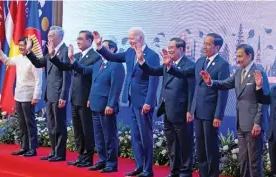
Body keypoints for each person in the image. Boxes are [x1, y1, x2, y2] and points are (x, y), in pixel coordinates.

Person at [93, 28, 159, 177]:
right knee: (135, 136)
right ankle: (139, 166)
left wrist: (148, 102)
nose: (129, 41)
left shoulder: (152, 55)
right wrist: (99, 47)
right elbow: (112, 57)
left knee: (145, 136)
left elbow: (154, 81)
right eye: (129, 38)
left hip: (144, 103)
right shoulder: (129, 52)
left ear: (140, 38)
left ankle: (148, 170)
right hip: (132, 101)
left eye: (132, 38)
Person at [200, 44, 269, 177]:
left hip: (254, 124)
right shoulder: (238, 72)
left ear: (249, 56)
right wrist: (211, 82)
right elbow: (225, 83)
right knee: (243, 160)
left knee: (254, 162)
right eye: (236, 56)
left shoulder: (259, 72)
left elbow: (263, 100)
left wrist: (258, 123)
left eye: (240, 56)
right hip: (241, 124)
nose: (237, 59)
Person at [166, 33, 229, 177]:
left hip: (211, 112)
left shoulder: (222, 64)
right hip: (198, 111)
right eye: (204, 43)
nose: (204, 46)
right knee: (200, 147)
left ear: (217, 47)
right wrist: (191, 109)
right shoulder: (200, 61)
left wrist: (218, 114)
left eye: (208, 44)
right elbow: (192, 85)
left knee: (210, 147)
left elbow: (223, 91)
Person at [136, 38, 195, 177]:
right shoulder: (167, 63)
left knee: (184, 144)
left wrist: (190, 110)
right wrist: (141, 60)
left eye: (172, 47)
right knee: (172, 144)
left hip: (182, 111)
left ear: (181, 49)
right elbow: (151, 71)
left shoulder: (190, 65)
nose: (169, 49)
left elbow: (192, 90)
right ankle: (174, 171)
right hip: (167, 110)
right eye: (168, 46)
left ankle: (185, 172)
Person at [68, 44, 125, 173]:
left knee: (109, 136)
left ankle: (111, 163)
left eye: (104, 47)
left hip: (106, 106)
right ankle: (101, 161)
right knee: (98, 136)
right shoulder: (98, 63)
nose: (100, 49)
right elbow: (83, 70)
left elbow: (116, 88)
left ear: (112, 50)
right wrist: (72, 59)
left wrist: (111, 104)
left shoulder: (117, 65)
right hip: (95, 104)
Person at [48, 30, 100, 167]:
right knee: (77, 130)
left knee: (87, 130)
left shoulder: (96, 57)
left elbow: (84, 70)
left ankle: (88, 158)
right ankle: (80, 156)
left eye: (81, 39)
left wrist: (72, 60)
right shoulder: (76, 55)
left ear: (90, 41)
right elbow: (65, 68)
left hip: (86, 99)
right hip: (74, 98)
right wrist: (53, 56)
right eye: (77, 39)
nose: (78, 41)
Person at [25, 26, 71, 162]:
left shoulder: (65, 51)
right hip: (49, 94)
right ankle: (53, 151)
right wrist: (29, 51)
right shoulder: (51, 51)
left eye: (52, 36)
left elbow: (66, 75)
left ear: (60, 37)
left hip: (58, 94)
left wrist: (63, 95)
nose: (49, 38)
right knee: (51, 124)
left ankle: (60, 154)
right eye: (49, 35)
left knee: (59, 124)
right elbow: (39, 64)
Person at [0, 37, 42, 157]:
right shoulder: (19, 58)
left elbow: (38, 80)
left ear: (28, 46)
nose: (21, 47)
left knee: (29, 122)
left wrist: (36, 96)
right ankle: (24, 147)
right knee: (21, 122)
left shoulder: (34, 60)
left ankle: (33, 148)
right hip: (19, 95)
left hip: (29, 95)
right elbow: (7, 61)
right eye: (19, 45)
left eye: (23, 45)